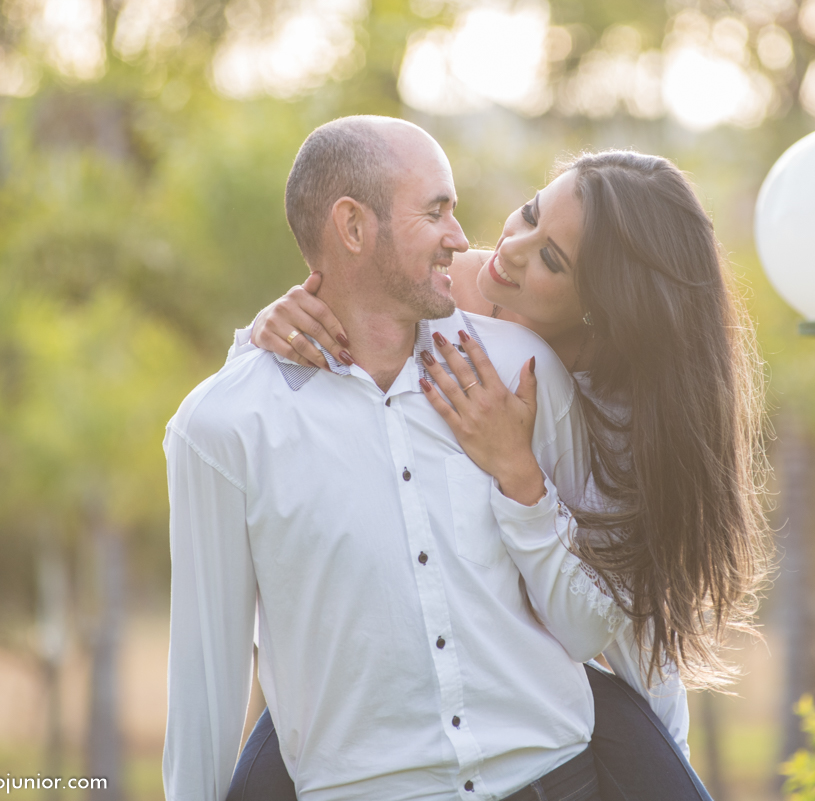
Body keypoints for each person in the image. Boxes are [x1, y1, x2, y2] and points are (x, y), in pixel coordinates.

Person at [164, 115, 711, 801]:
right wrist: (259, 338)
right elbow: (359, 283)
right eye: (529, 212)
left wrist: (667, 764)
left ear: (601, 307)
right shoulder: (468, 280)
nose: (499, 246)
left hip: (551, 728)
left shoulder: (585, 392)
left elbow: (628, 630)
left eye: (551, 259)